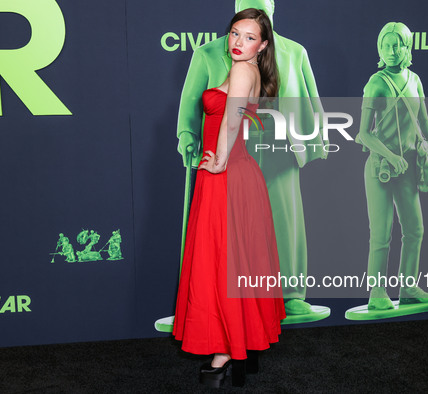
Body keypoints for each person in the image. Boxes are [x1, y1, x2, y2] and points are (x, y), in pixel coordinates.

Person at [177, 0, 327, 318]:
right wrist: (187, 134)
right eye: (237, 31)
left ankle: (289, 293)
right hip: (231, 152)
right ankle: (222, 300)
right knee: (226, 231)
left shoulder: (294, 51)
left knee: (284, 222)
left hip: (280, 149)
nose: (240, 40)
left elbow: (311, 96)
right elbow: (191, 98)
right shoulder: (207, 53)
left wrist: (319, 136)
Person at [173, 8, 285, 388]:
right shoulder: (250, 70)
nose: (238, 43)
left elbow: (232, 119)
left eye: (249, 37)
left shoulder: (241, 71)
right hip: (241, 175)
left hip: (227, 176)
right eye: (235, 34)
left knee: (220, 264)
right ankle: (242, 347)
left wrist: (219, 161)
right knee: (235, 264)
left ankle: (224, 352)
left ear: (263, 45)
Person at [357, 22, 428, 310]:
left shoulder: (414, 79)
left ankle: (408, 286)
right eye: (386, 45)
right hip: (381, 167)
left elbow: (425, 121)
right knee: (381, 235)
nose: (391, 51)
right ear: (379, 48)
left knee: (415, 229)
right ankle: (376, 292)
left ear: (407, 48)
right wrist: (391, 156)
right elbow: (363, 133)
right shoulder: (376, 83)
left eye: (397, 45)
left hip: (408, 167)